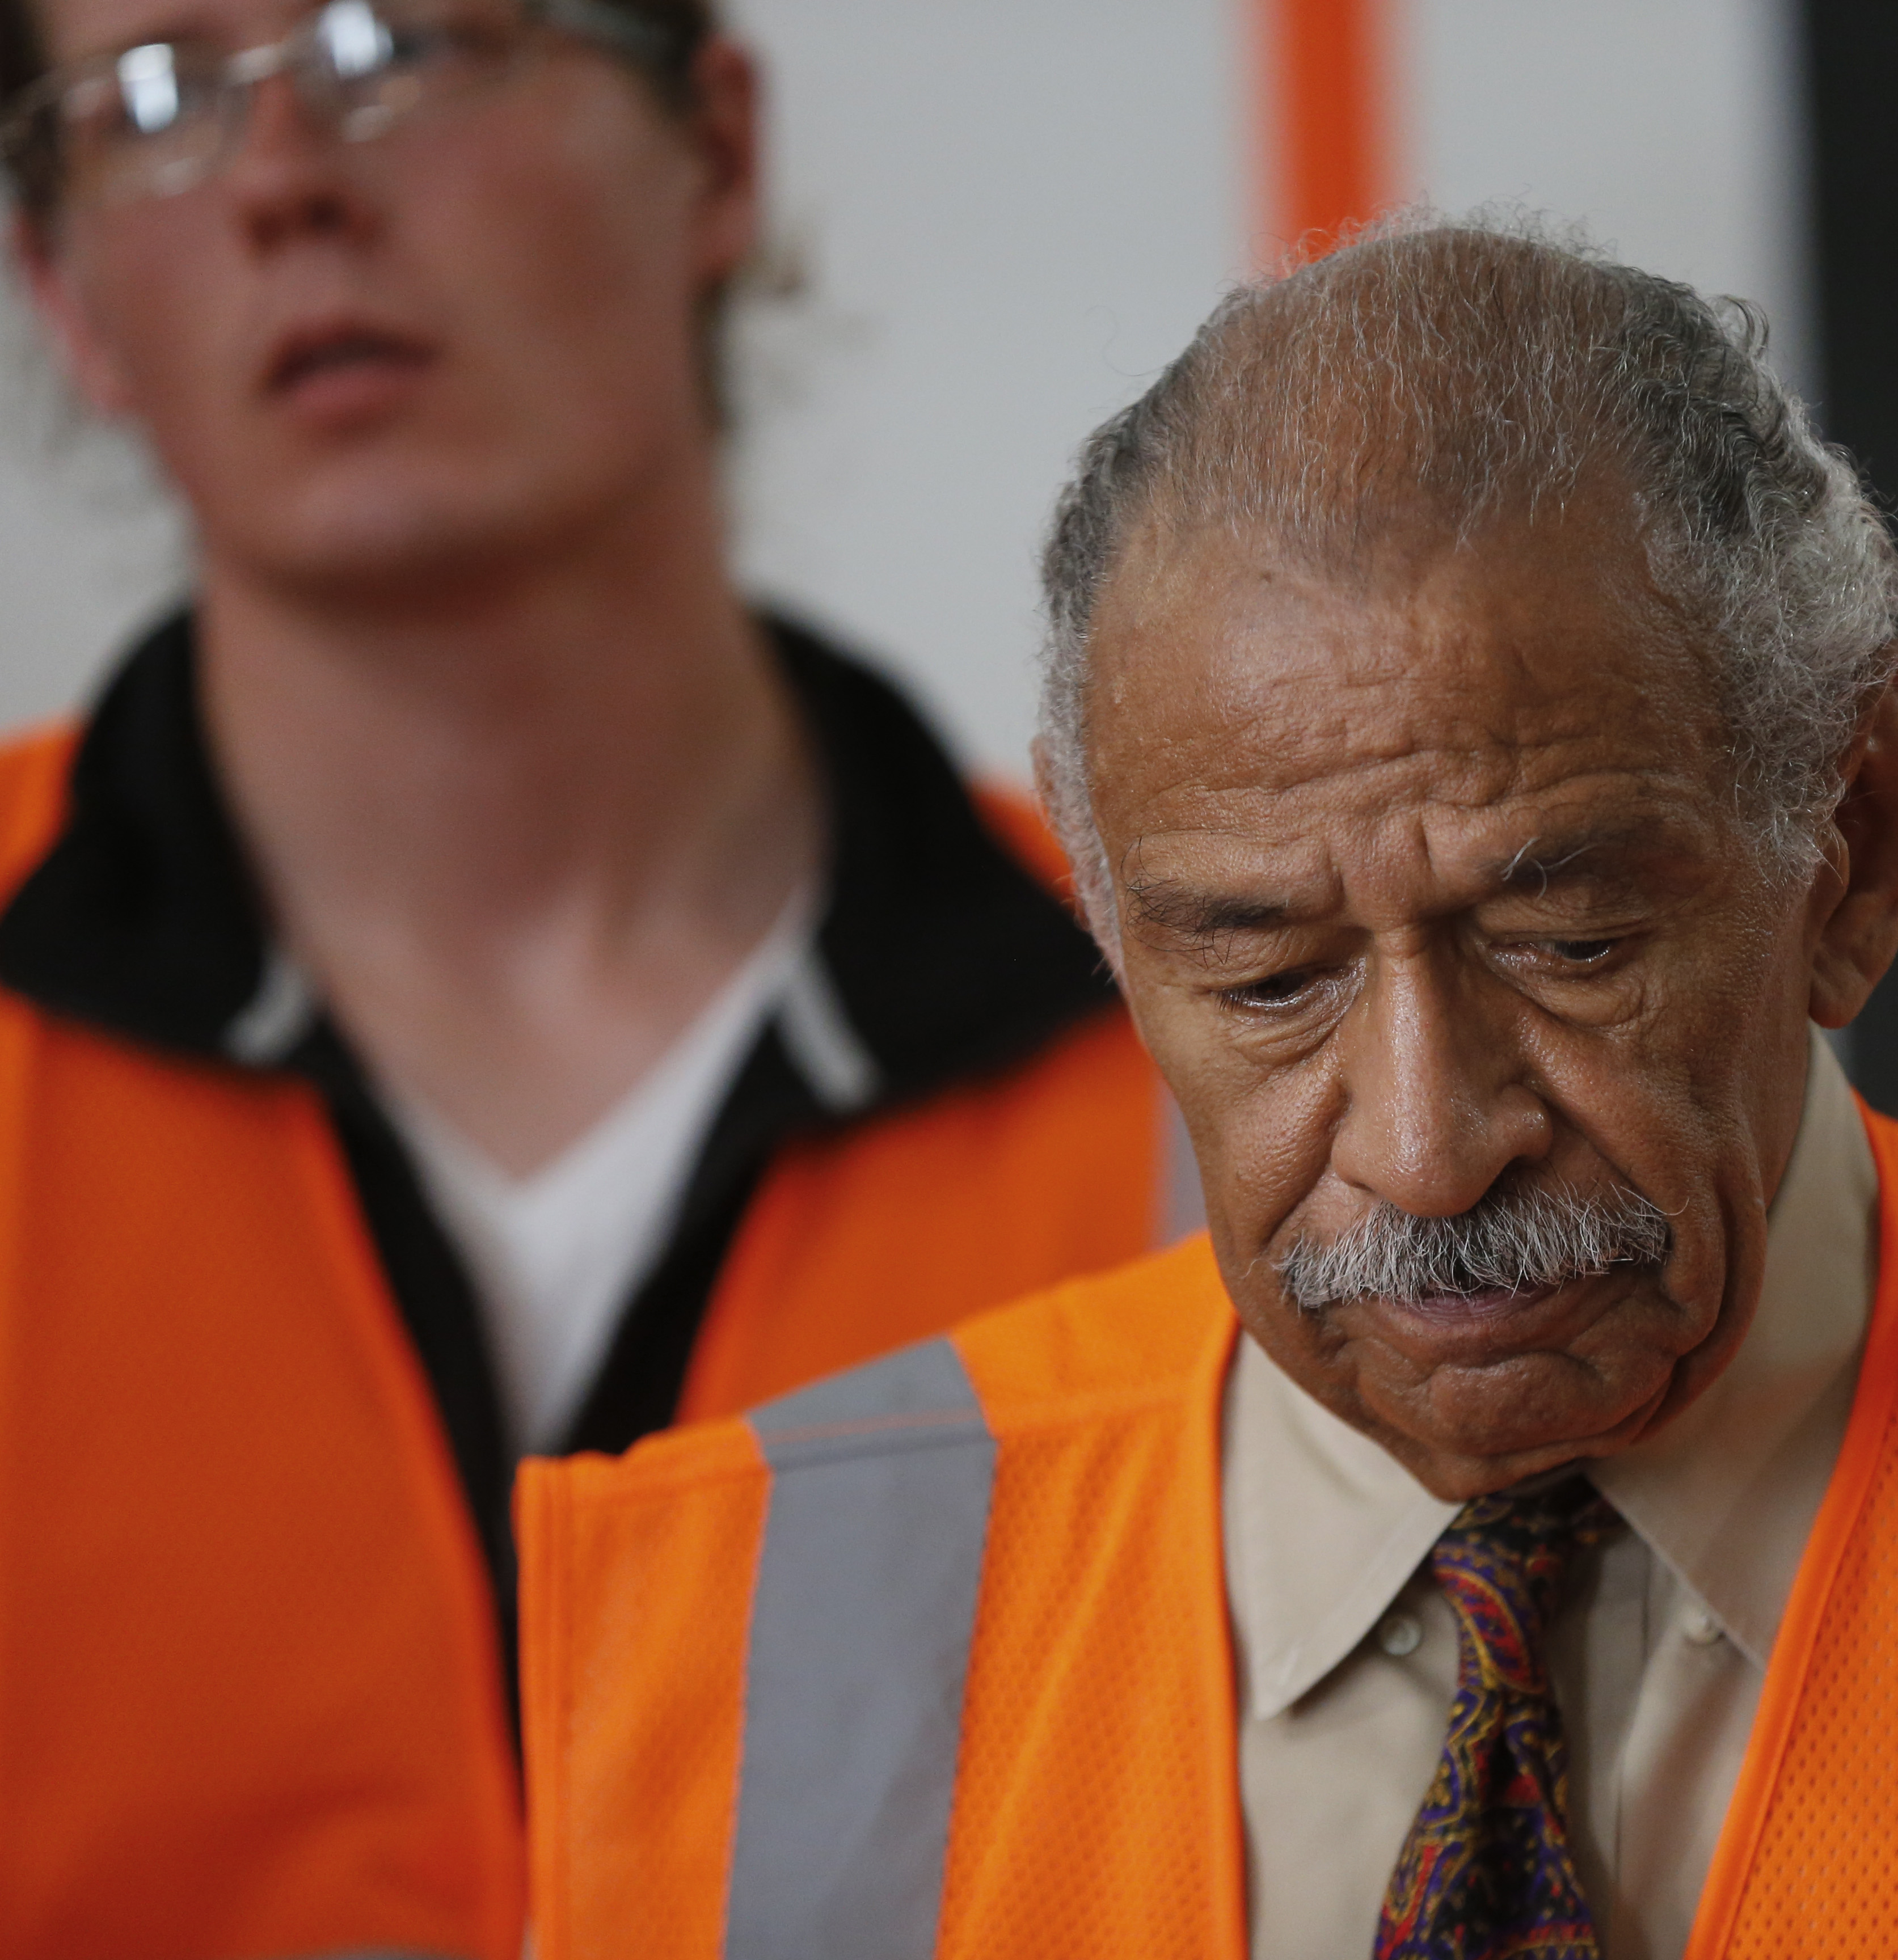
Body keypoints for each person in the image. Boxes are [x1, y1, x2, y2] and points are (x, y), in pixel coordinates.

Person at [521, 221, 1898, 1959]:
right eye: (1267, 977)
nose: (1420, 1135)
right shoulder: (746, 1652)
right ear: (1110, 925)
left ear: (1850, 841)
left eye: (1567, 944)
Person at [0, 2, 1180, 1954]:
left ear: (712, 146)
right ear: (64, 286)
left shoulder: (1205, 1057)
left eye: (405, 37)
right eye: (157, 95)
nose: (289, 175)